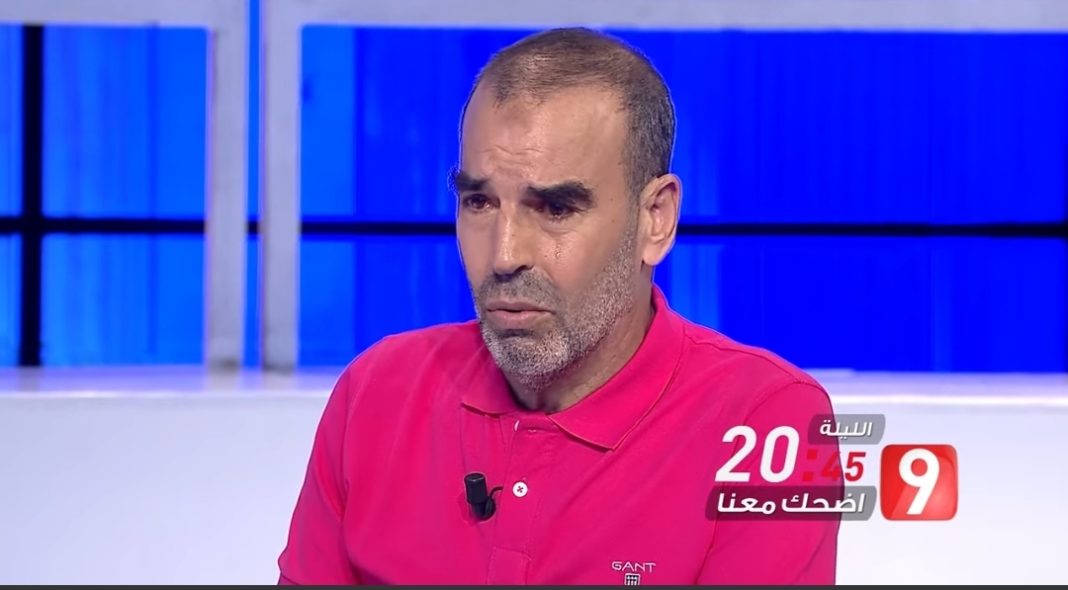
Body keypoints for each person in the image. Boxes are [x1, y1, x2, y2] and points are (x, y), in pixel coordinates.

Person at [277, 27, 841, 585]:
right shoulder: (378, 391)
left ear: (655, 219)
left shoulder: (768, 423)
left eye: (555, 209)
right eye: (479, 202)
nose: (504, 255)